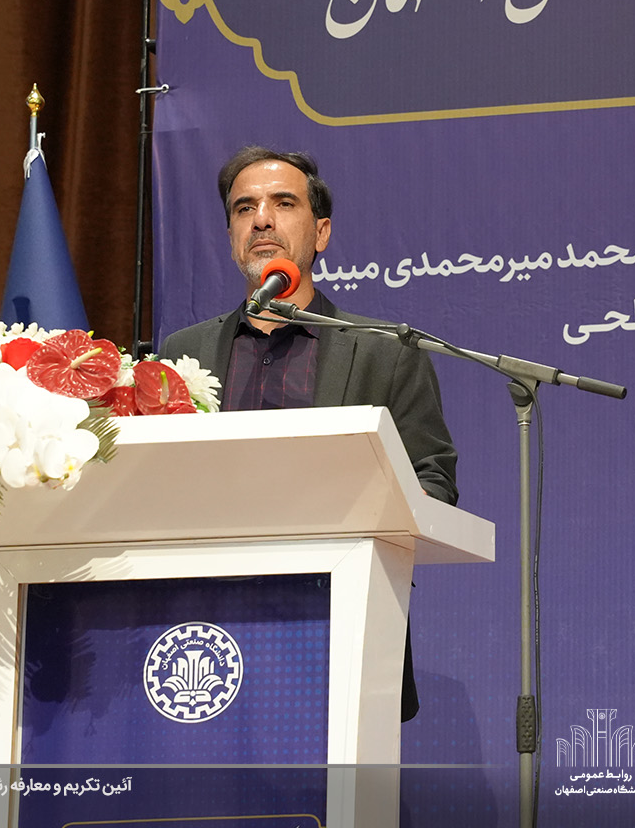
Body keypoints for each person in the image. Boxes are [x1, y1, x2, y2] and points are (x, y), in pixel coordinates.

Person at [161, 146, 458, 720]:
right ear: (231, 236)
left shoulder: (386, 351)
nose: (261, 219)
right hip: (200, 634)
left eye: (283, 203)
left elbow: (433, 480)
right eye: (244, 208)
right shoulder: (182, 353)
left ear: (321, 232)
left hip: (338, 626)